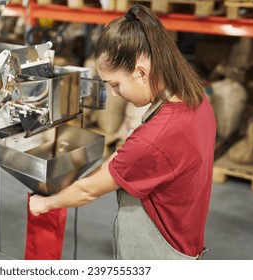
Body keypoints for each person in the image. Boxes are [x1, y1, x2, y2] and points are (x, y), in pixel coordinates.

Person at [29, 5, 216, 260]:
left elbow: (89, 191)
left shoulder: (155, 137)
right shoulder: (196, 98)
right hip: (187, 241)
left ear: (140, 71)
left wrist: (44, 204)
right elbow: (125, 159)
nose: (115, 93)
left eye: (116, 84)